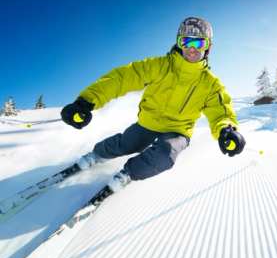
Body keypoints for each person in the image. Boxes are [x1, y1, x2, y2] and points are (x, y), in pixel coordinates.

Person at [61, 17, 246, 192]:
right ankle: (96, 156)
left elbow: (221, 112)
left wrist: (226, 130)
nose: (191, 48)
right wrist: (86, 101)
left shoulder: (211, 85)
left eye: (198, 43)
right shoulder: (159, 66)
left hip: (178, 130)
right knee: (127, 144)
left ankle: (128, 174)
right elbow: (121, 79)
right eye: (186, 42)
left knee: (165, 155)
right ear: (179, 43)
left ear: (208, 47)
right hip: (148, 122)